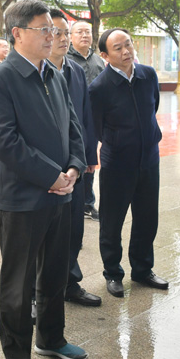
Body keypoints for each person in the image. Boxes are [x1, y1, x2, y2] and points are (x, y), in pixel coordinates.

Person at [0, 0, 88, 359]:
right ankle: (16, 353)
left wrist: (75, 166)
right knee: (18, 282)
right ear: (18, 33)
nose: (52, 36)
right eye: (44, 29)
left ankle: (51, 338)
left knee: (55, 274)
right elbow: (4, 142)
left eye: (55, 30)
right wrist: (50, 175)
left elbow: (73, 126)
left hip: (61, 193)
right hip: (23, 199)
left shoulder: (55, 75)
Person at [89, 28, 169, 299]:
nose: (126, 52)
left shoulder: (148, 75)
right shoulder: (99, 88)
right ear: (104, 56)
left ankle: (142, 269)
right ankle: (113, 272)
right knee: (112, 220)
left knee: (147, 217)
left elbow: (153, 106)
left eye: (129, 45)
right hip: (117, 163)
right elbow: (96, 128)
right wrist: (120, 141)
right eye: (118, 49)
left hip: (149, 158)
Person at [48, 9, 101, 307]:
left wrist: (87, 155)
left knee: (74, 229)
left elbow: (84, 117)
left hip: (76, 164)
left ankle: (70, 282)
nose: (63, 39)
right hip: (47, 169)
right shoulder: (37, 73)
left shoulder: (76, 71)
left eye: (66, 33)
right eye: (56, 33)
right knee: (45, 235)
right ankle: (35, 293)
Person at [67, 20, 106, 221]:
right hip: (74, 120)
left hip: (94, 121)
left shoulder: (98, 61)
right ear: (71, 36)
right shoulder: (65, 60)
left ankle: (88, 202)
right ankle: (73, 202)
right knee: (75, 160)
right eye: (80, 32)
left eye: (88, 32)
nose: (85, 36)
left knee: (91, 161)